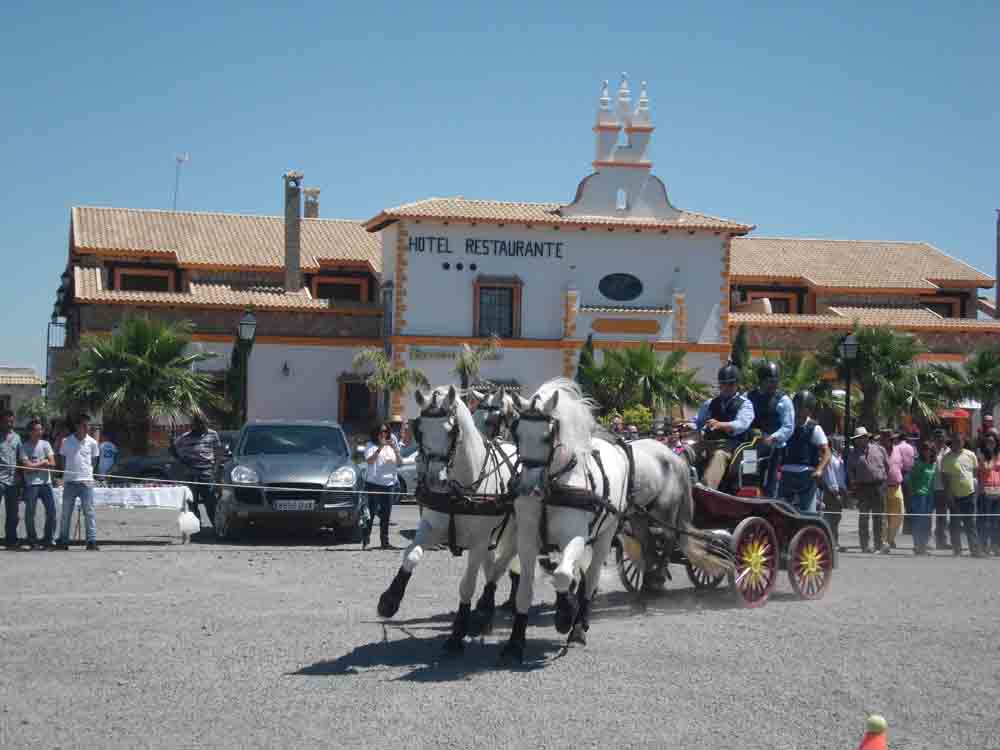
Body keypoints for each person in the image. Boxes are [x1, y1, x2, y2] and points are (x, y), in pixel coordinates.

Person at [694, 362, 755, 490]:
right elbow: (698, 421)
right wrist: (688, 425)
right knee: (687, 450)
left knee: (719, 455)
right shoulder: (710, 403)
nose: (726, 387)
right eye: (723, 384)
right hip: (709, 443)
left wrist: (720, 425)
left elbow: (742, 424)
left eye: (731, 384)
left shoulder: (745, 404)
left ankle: (705, 489)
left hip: (732, 446)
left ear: (737, 384)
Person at [746, 361, 794, 497]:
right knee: (749, 480)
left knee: (771, 485)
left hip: (775, 449)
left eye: (776, 381)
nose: (774, 384)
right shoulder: (748, 397)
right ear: (761, 381)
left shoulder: (783, 400)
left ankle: (770, 501)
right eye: (770, 381)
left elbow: (788, 426)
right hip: (752, 447)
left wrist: (772, 438)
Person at [777, 391, 829, 514]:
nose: (798, 410)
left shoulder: (814, 428)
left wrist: (819, 469)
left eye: (802, 407)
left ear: (809, 410)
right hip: (786, 473)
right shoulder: (786, 426)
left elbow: (827, 453)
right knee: (781, 510)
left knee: (807, 512)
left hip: (806, 475)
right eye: (796, 406)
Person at [56, 413, 101, 551]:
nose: (87, 428)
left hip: (86, 482)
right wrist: (66, 474)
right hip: (70, 482)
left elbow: (94, 461)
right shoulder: (66, 441)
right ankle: (63, 541)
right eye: (84, 425)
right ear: (77, 426)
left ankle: (91, 541)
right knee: (66, 513)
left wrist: (88, 474)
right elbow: (62, 458)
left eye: (88, 425)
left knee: (89, 512)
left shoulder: (92, 442)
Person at [171, 415, 224, 523]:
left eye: (202, 424)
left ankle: (216, 526)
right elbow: (173, 450)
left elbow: (219, 454)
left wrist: (216, 471)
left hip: (207, 473)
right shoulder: (185, 437)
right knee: (192, 502)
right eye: (197, 424)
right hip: (190, 474)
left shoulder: (213, 434)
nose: (200, 427)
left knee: (210, 502)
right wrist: (181, 459)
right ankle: (196, 525)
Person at [847, 427, 890, 554]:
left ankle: (879, 545)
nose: (859, 440)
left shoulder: (880, 449)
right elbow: (850, 472)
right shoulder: (853, 454)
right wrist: (854, 486)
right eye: (857, 439)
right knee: (864, 517)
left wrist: (883, 481)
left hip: (879, 486)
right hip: (863, 488)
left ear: (866, 438)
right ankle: (865, 545)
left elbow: (887, 466)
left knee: (879, 517)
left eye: (862, 437)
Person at [940, 434, 982, 557]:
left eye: (959, 441)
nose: (957, 443)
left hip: (970, 494)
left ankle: (974, 549)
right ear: (952, 443)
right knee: (955, 523)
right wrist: (949, 495)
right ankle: (957, 549)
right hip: (954, 496)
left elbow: (975, 473)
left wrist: (975, 490)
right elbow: (945, 479)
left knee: (971, 523)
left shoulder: (971, 455)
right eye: (955, 441)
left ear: (963, 442)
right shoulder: (946, 458)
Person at [19, 419, 56, 549]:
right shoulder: (24, 447)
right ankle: (32, 540)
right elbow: (26, 468)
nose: (40, 432)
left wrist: (35, 465)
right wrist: (42, 463)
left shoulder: (46, 444)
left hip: (46, 483)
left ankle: (48, 539)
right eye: (37, 430)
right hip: (31, 484)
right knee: (30, 513)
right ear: (30, 432)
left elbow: (52, 464)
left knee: (51, 511)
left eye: (41, 429)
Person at [363, 422, 400, 550]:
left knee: (386, 515)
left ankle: (385, 542)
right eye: (381, 432)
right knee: (371, 513)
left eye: (386, 431)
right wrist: (380, 448)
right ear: (376, 433)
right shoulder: (370, 445)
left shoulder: (391, 446)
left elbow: (400, 463)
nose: (384, 434)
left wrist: (395, 449)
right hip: (374, 483)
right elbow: (369, 460)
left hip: (389, 484)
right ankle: (366, 539)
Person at [907, 440, 937, 555]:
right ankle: (917, 545)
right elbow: (910, 479)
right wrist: (913, 492)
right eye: (925, 449)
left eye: (929, 449)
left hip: (929, 495)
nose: (927, 451)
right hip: (919, 495)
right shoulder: (918, 464)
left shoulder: (933, 464)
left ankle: (924, 544)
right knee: (918, 520)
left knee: (927, 520)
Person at [879, 429, 905, 552]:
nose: (889, 441)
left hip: (896, 486)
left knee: (899, 514)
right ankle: (884, 542)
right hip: (882, 487)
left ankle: (890, 539)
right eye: (886, 439)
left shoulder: (898, 450)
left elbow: (902, 465)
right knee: (883, 516)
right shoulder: (878, 451)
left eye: (891, 439)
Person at [821, 435, 849, 551]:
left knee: (836, 519)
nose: (844, 445)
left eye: (844, 443)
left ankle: (834, 542)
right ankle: (829, 543)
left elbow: (841, 476)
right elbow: (829, 475)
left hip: (840, 490)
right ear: (834, 444)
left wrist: (844, 490)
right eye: (841, 443)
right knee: (830, 518)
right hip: (832, 492)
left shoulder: (840, 458)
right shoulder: (830, 458)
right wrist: (835, 492)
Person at [0, 410, 23, 549]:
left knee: (13, 514)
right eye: (6, 421)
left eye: (11, 421)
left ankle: (11, 540)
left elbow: (20, 458)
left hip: (13, 480)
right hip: (0, 479)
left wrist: (21, 478)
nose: (9, 424)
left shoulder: (17, 438)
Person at [976, 429, 1000, 556]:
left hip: (998, 492)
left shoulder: (998, 455)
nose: (991, 444)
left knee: (996, 522)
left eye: (993, 442)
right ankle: (983, 546)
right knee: (985, 521)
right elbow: (986, 468)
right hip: (985, 492)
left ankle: (995, 546)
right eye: (988, 442)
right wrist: (992, 458)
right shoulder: (981, 455)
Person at [931, 429, 951, 550]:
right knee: (928, 516)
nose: (940, 439)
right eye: (937, 437)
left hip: (944, 488)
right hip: (930, 488)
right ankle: (927, 541)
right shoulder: (930, 450)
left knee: (942, 516)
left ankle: (942, 541)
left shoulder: (949, 451)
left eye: (942, 437)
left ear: (945, 438)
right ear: (934, 438)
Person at [894, 430, 916, 535]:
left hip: (899, 474)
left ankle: (896, 527)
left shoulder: (897, 447)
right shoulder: (911, 447)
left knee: (898, 502)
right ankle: (908, 528)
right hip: (909, 474)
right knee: (909, 503)